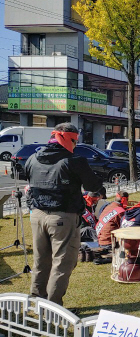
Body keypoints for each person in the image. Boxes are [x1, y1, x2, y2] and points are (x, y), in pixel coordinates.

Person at [25, 123, 102, 306]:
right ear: (71, 139)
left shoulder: (33, 158)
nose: (76, 145)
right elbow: (93, 186)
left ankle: (37, 302)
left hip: (36, 215)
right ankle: (53, 309)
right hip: (63, 217)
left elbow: (29, 181)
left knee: (40, 261)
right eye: (75, 141)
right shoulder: (74, 160)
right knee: (62, 264)